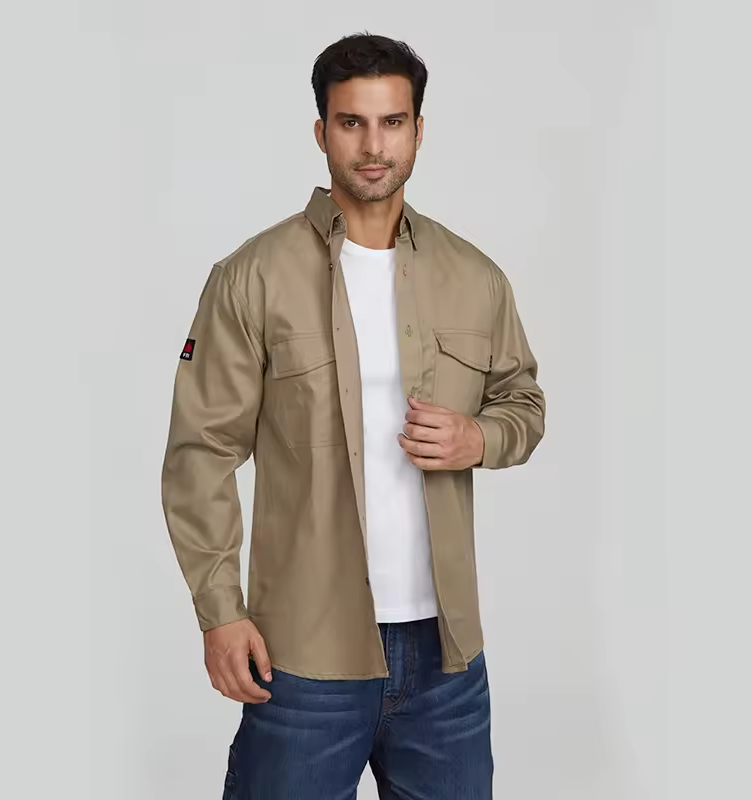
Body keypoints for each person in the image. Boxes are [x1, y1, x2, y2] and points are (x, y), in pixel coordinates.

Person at [161, 32, 545, 800]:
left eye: (392, 122)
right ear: (321, 131)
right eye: (352, 123)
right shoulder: (253, 276)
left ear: (418, 130)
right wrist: (219, 613)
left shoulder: (474, 277)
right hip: (303, 656)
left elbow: (523, 403)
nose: (373, 147)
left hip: (446, 661)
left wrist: (478, 436)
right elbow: (200, 452)